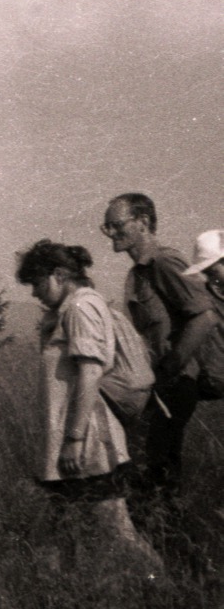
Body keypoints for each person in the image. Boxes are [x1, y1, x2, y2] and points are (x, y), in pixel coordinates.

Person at [14, 240, 163, 575]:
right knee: (56, 534)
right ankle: (62, 603)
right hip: (65, 447)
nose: (34, 293)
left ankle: (168, 592)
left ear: (60, 274)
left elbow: (91, 371)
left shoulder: (82, 307)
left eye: (37, 283)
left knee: (117, 533)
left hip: (88, 447)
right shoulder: (68, 310)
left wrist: (74, 439)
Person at [102, 194, 224, 492]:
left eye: (117, 225)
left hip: (178, 380)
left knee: (155, 463)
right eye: (106, 227)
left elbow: (205, 317)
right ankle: (165, 530)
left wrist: (171, 365)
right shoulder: (139, 272)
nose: (111, 233)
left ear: (143, 223)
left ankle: (166, 532)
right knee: (158, 463)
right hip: (164, 383)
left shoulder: (163, 262)